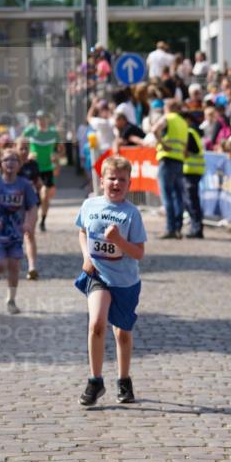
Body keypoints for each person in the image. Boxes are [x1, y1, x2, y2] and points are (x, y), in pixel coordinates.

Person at [75, 156, 147, 406]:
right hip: (98, 275)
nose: (116, 183)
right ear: (102, 180)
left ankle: (124, 379)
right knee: (96, 323)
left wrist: (119, 241)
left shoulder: (131, 213)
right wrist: (86, 256)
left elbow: (139, 253)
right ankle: (95, 381)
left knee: (122, 334)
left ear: (129, 184)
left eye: (122, 180)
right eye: (112, 178)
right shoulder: (90, 206)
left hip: (125, 281)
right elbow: (83, 232)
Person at [0, 148, 39, 314]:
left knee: (14, 265)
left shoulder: (24, 185)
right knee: (0, 265)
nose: (10, 163)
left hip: (15, 232)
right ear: (1, 163)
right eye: (6, 160)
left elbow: (33, 206)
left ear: (20, 164)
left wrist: (29, 224)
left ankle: (11, 300)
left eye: (14, 160)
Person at [154, 98, 189, 239]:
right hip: (179, 160)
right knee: (178, 195)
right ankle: (178, 228)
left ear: (168, 107)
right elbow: (185, 146)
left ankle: (170, 228)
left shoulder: (167, 118)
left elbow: (155, 129)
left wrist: (161, 143)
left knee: (167, 195)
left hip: (167, 159)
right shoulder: (183, 122)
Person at [23, 110, 63, 232]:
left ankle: (43, 221)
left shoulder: (53, 133)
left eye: (43, 118)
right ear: (36, 119)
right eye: (38, 118)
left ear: (47, 119)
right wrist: (27, 154)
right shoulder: (30, 131)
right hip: (33, 167)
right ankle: (31, 217)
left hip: (47, 168)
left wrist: (56, 157)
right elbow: (20, 144)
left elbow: (61, 149)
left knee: (45, 195)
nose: (41, 121)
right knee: (33, 196)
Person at [15, 136, 42, 280]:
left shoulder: (33, 165)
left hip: (31, 204)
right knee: (16, 236)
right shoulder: (11, 165)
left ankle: (32, 267)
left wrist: (39, 187)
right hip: (14, 206)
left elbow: (38, 181)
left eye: (27, 148)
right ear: (16, 148)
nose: (24, 151)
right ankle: (15, 266)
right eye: (21, 148)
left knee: (29, 233)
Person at [182, 120, 205, 239]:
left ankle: (197, 229)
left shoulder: (189, 133)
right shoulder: (192, 132)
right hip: (191, 171)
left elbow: (193, 151)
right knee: (190, 201)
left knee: (192, 201)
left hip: (192, 171)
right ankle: (195, 227)